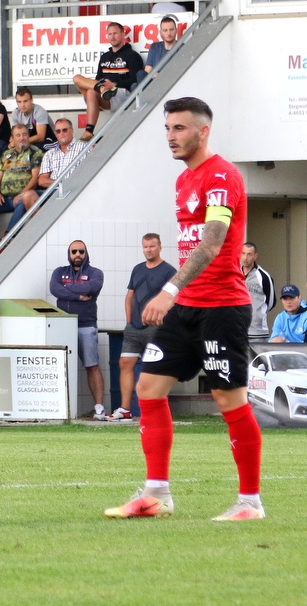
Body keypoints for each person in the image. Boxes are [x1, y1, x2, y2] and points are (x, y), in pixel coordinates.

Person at [105, 97, 264, 522]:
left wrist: (170, 288)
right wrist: (178, 296)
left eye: (179, 128)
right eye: (168, 128)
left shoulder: (221, 176)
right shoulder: (184, 181)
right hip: (187, 307)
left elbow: (211, 244)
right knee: (148, 388)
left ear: (202, 131)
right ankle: (156, 494)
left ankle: (250, 502)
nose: (171, 136)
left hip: (222, 307)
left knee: (228, 398)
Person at [111, 233, 176, 421]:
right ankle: (125, 409)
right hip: (134, 328)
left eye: (152, 246)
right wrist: (129, 321)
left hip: (156, 328)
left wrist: (162, 319)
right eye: (145, 247)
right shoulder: (137, 269)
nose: (148, 250)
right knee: (125, 363)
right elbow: (130, 296)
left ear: (160, 247)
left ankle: (156, 410)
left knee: (156, 368)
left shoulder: (168, 271)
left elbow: (173, 298)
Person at [49, 240, 106, 420]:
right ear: (69, 253)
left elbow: (92, 287)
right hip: (63, 325)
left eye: (81, 251)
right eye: (74, 251)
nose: (77, 255)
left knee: (92, 366)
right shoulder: (60, 272)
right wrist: (77, 295)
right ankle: (58, 409)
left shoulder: (95, 273)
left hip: (86, 325)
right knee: (60, 367)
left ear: (86, 253)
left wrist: (67, 289)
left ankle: (99, 408)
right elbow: (54, 289)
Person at [72, 22, 143, 141]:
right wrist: (102, 85)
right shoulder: (104, 57)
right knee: (76, 78)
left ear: (123, 34)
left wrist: (114, 84)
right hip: (103, 92)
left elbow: (136, 79)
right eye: (109, 34)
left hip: (119, 92)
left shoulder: (132, 55)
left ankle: (89, 132)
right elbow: (98, 77)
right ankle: (101, 89)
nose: (112, 36)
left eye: (115, 33)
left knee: (90, 92)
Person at [17, 118, 88, 213]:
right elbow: (42, 180)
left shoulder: (84, 148)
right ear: (55, 134)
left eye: (65, 130)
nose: (61, 133)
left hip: (74, 191)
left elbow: (88, 173)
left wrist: (68, 185)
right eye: (58, 131)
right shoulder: (49, 154)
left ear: (72, 131)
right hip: (52, 191)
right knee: (27, 195)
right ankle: (43, 224)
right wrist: (62, 183)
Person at [0, 124, 42, 231]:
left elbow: (35, 178)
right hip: (4, 199)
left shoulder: (36, 153)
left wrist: (21, 194)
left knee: (23, 200)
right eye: (18, 135)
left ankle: (9, 236)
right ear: (12, 139)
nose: (21, 138)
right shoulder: (6, 155)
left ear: (28, 136)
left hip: (22, 197)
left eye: (24, 134)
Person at [241, 242, 275, 342]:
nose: (245, 257)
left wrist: (257, 312)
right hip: (237, 329)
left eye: (249, 254)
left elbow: (271, 303)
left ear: (255, 256)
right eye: (243, 253)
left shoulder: (264, 276)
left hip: (257, 332)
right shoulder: (233, 273)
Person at [10, 88, 57, 152]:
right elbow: (14, 134)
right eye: (19, 102)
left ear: (31, 100)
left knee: (38, 149)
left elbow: (41, 137)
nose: (22, 105)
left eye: (25, 101)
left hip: (48, 141)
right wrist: (12, 142)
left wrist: (21, 142)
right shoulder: (15, 113)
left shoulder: (39, 111)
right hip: (28, 141)